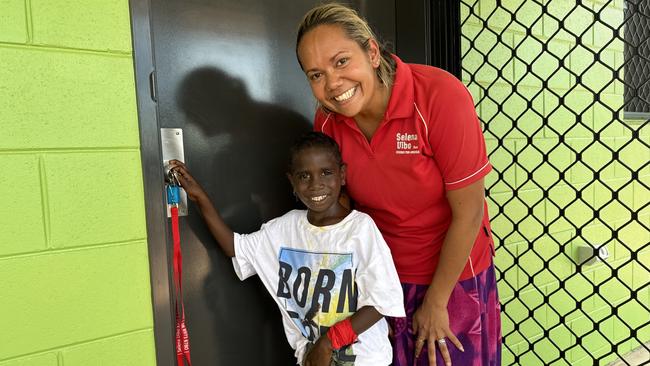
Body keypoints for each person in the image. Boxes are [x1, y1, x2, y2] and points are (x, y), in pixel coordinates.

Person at [295, 3, 501, 366]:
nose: (332, 84)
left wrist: (437, 302)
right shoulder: (327, 122)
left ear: (372, 52)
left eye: (341, 61)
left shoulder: (438, 96)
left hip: (450, 278)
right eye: (316, 74)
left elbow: (469, 213)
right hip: (380, 280)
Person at [168, 132, 405, 366]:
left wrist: (328, 342)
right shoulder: (285, 228)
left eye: (326, 172)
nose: (316, 184)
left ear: (342, 175)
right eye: (304, 176)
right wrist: (199, 197)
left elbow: (382, 300)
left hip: (364, 360)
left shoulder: (360, 229)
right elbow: (234, 247)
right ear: (292, 181)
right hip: (310, 358)